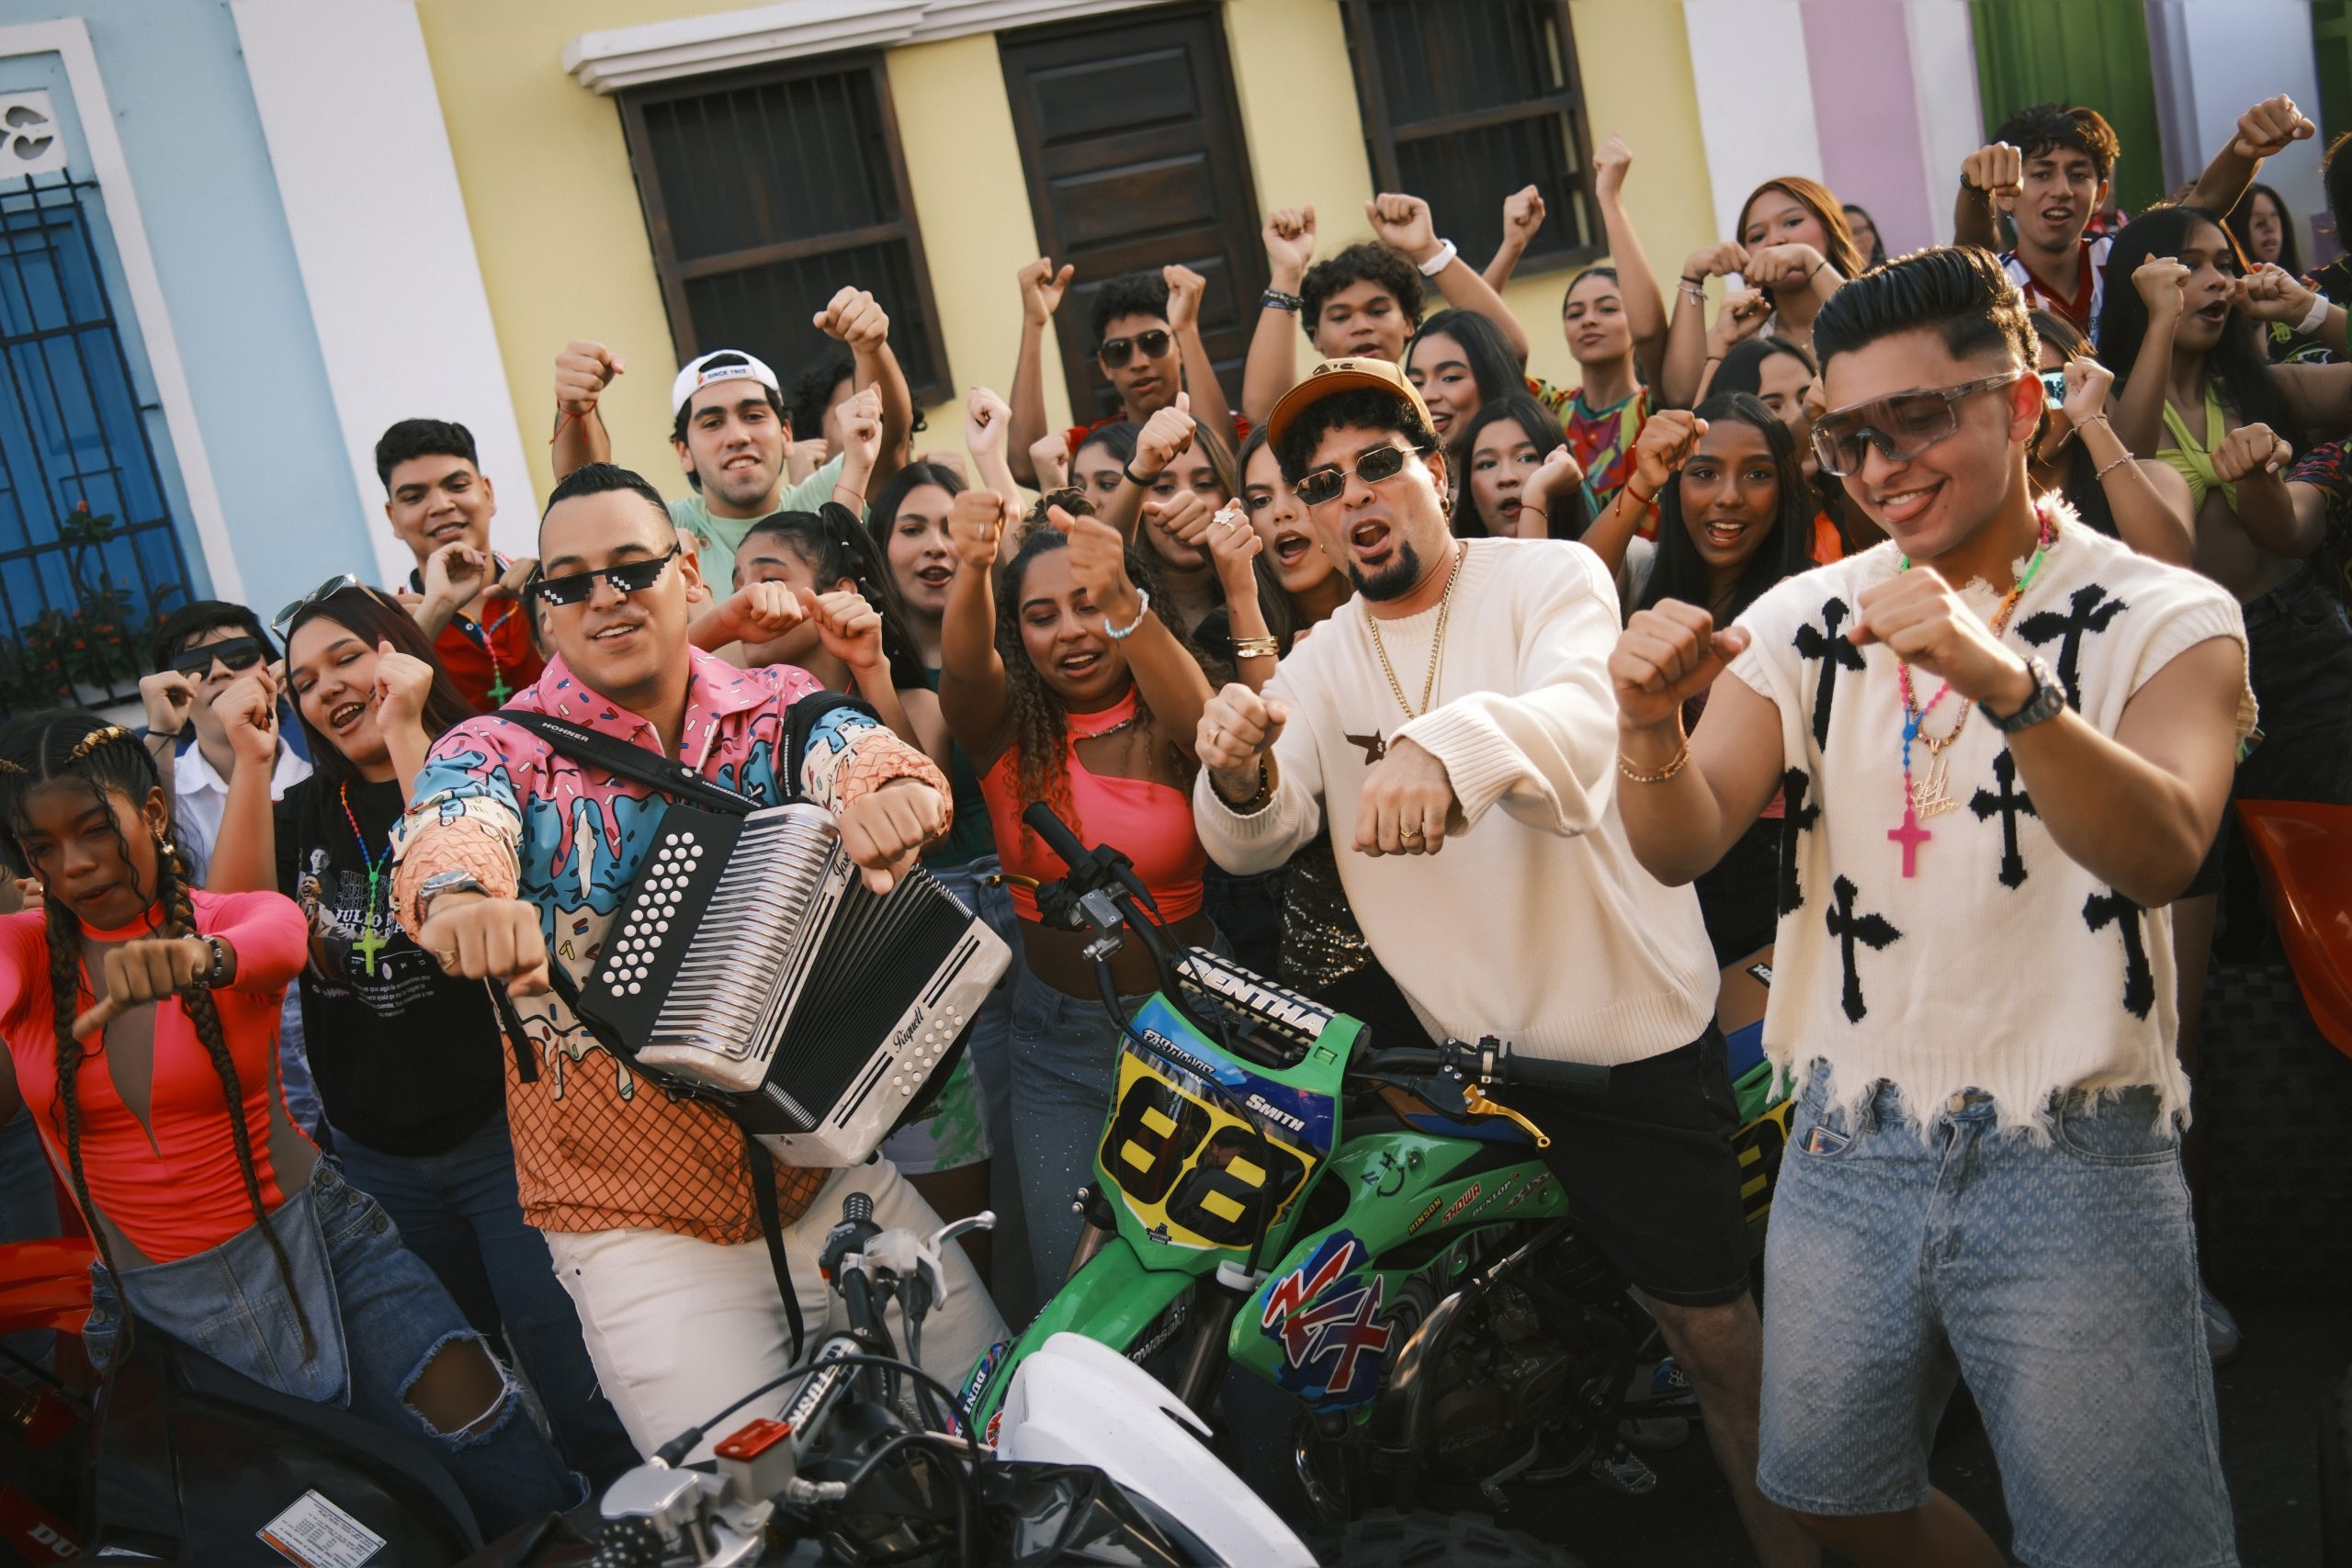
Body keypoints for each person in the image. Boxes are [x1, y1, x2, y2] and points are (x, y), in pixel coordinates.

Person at [1610, 245, 2249, 1566]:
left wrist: (2005, 680)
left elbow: (2168, 848)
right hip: (1849, 1135)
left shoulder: (2166, 612)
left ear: (2018, 408)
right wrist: (1642, 727)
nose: (1882, 460)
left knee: (2129, 1544)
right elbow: (1678, 840)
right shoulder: (1805, 616)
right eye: (1847, 436)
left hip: (2077, 1143)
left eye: (1921, 416)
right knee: (1829, 1493)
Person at [1192, 357, 1810, 1566]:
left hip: (1617, 1043)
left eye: (1381, 462)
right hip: (1461, 1066)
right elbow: (1257, 838)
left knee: (1718, 1341)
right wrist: (1238, 766)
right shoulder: (1317, 659)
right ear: (1299, 519)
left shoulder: (1550, 575)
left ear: (1434, 466)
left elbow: (1589, 722)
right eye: (1321, 484)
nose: (1356, 497)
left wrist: (1445, 744)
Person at [387, 461, 1001, 1461]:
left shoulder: (774, 701)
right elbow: (447, 831)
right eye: (570, 582)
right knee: (747, 1520)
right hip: (636, 1232)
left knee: (1001, 1429)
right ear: (544, 614)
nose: (604, 597)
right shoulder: (493, 750)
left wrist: (893, 792)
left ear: (685, 571)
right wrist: (460, 901)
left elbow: (865, 752)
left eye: (630, 567)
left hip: (826, 1174)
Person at [0, 712, 574, 1530]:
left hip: (324, 1244)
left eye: (94, 830)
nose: (75, 863)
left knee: (485, 1430)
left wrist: (202, 958)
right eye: (42, 848)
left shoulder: (229, 916)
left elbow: (279, 937)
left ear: (155, 814)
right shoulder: (22, 951)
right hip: (159, 1310)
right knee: (321, 1531)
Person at [200, 582, 638, 1486]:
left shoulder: (487, 774)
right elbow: (226, 928)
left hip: (506, 1141)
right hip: (378, 1160)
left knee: (578, 1378)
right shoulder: (304, 814)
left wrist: (408, 727)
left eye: (348, 659)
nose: (328, 689)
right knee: (475, 1403)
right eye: (305, 679)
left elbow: (459, 854)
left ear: (400, 654)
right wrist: (250, 759)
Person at [935, 486, 1215, 1297]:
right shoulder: (1006, 732)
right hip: (1057, 1049)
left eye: (1092, 605)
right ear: (1018, 632)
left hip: (1193, 1029)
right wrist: (973, 569)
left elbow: (1207, 731)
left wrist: (1127, 602)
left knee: (1203, 1278)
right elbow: (962, 666)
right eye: (1043, 615)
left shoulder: (1172, 719)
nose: (1072, 633)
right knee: (1082, 1294)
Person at [1632, 394, 1820, 964]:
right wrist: (1639, 484)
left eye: (1758, 474)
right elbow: (1567, 581)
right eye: (1704, 473)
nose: (1730, 496)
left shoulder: (1814, 603)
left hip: (1782, 887)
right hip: (1655, 889)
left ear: (1785, 490)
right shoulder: (1642, 581)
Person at [548, 287, 917, 571]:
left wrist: (871, 348)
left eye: (754, 416)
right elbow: (588, 498)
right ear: (683, 451)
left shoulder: (822, 504)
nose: (738, 436)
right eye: (712, 423)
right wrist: (577, 410)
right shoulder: (665, 530)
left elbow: (888, 444)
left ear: (786, 434)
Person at [1953, 95, 2312, 339]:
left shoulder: (2119, 255)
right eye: (2042, 173)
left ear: (2101, 196)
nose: (2061, 189)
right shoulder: (1995, 280)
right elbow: (1974, 248)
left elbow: (2200, 206)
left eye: (2079, 174)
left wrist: (2244, 151)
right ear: (2004, 194)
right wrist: (1973, 188)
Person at [1242, 193, 1532, 426]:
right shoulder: (1316, 422)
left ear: (1408, 322)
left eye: (1378, 311)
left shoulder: (1433, 403)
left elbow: (1507, 351)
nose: (1361, 326)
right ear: (1317, 336)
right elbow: (1264, 411)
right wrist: (1288, 272)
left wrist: (1428, 249)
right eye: (1341, 317)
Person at [1006, 263, 1236, 489]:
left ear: (1180, 349)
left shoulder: (1230, 424)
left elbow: (1226, 456)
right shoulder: (1095, 448)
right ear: (1105, 366)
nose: (1139, 363)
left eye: (1154, 343)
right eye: (1119, 351)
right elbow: (1026, 467)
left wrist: (1186, 328)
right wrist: (1033, 324)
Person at [376, 419, 544, 713]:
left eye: (457, 485)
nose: (440, 505)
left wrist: (550, 596)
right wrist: (430, 617)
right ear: (394, 519)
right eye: (414, 497)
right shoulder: (385, 630)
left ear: (488, 494)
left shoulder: (544, 587)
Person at [140, 604, 310, 886]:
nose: (219, 671)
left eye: (238, 654)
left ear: (272, 668)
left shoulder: (317, 776)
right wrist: (161, 734)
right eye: (195, 664)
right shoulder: (167, 786)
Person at [1664, 177, 1858, 407]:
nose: (1775, 240)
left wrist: (1809, 259)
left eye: (1793, 222)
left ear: (1830, 228)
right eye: (1757, 237)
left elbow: (1868, 328)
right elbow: (1680, 397)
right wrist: (1692, 275)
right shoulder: (1743, 334)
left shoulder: (1875, 299)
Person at [2026, 310, 2195, 565]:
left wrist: (2088, 418)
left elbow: (2171, 568)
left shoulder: (2157, 479)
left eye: (2053, 386)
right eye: (2016, 391)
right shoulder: (1973, 509)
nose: (2038, 410)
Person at [1450, 395, 1591, 540]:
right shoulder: (1453, 561)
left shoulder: (1592, 556)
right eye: (1488, 464)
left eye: (1526, 458)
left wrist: (1536, 491)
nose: (1506, 477)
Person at [1406, 308, 1542, 447]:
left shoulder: (1546, 465)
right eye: (1417, 383)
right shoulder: (1393, 466)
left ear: (1493, 380)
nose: (1426, 395)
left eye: (1450, 378)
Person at [1843, 203, 1888, 269]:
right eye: (1845, 235)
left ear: (1873, 233)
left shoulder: (1892, 275)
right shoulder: (1828, 278)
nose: (1854, 240)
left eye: (1858, 231)